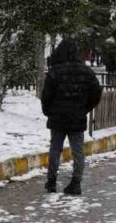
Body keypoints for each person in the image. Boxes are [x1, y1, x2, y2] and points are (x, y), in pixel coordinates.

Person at [40, 37, 104, 195]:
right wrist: (85, 108)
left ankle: (51, 181)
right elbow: (97, 92)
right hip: (77, 116)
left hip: (57, 117)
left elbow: (46, 96)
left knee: (55, 148)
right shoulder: (86, 72)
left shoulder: (55, 71)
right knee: (78, 151)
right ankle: (76, 182)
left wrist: (48, 111)